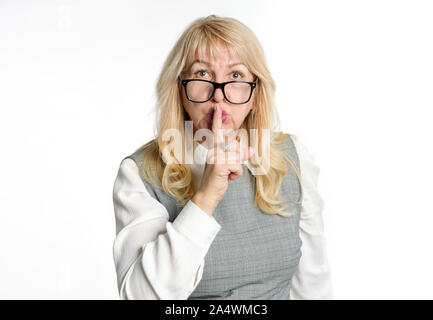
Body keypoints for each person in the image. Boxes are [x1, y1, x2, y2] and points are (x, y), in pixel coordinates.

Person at [112, 15, 333, 300]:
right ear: (181, 91)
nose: (219, 96)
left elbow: (314, 286)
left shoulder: (293, 158)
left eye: (236, 76)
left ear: (255, 94)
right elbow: (139, 296)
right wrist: (204, 198)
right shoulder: (140, 173)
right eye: (202, 74)